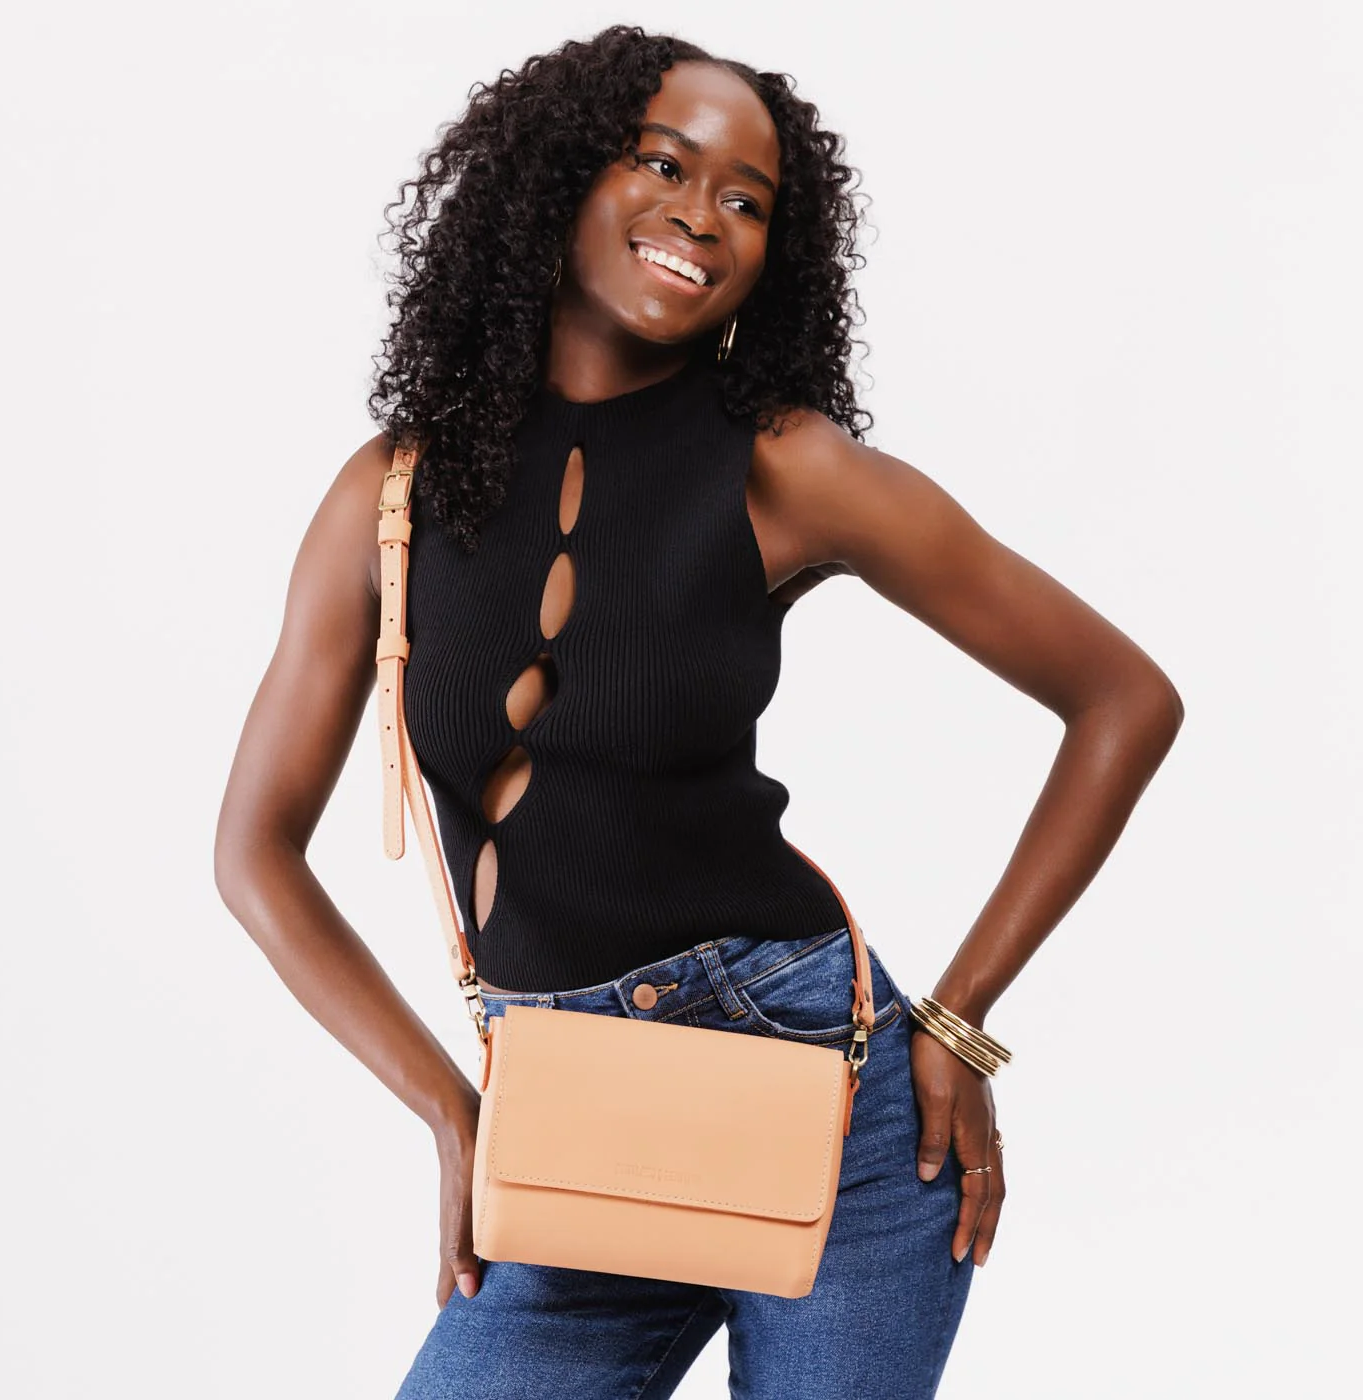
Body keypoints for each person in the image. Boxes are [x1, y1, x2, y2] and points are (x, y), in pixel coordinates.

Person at [214, 25, 1184, 1399]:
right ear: (559, 177)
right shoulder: (392, 493)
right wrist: (449, 1110)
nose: (702, 216)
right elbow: (252, 850)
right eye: (662, 165)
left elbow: (1124, 699)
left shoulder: (788, 469)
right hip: (566, 1118)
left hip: (832, 1111)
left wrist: (959, 1022)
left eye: (747, 200)